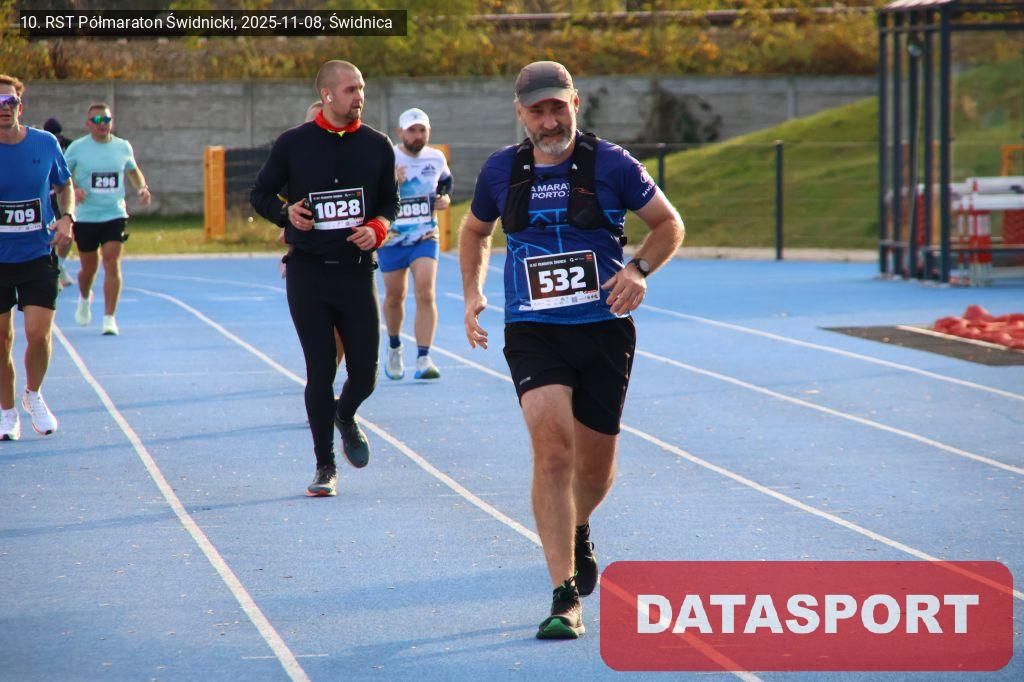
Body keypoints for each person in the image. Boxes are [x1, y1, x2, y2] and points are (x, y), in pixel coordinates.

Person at [459, 61, 684, 639]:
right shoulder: (500, 170)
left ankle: (578, 524)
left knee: (595, 469)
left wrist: (638, 269)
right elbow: (475, 231)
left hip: (603, 329)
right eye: (537, 111)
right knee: (553, 452)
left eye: (557, 107)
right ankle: (564, 595)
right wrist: (472, 293)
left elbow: (668, 225)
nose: (549, 120)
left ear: (575, 103)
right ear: (520, 113)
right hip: (533, 330)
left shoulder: (612, 164)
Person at [251, 60, 399, 497]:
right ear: (328, 95)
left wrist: (377, 228)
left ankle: (345, 414)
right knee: (319, 371)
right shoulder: (293, 143)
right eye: (351, 89)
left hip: (356, 273)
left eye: (362, 88)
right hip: (308, 274)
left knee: (365, 374)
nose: (360, 97)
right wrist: (285, 212)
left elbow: (389, 203)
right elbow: (260, 193)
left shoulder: (377, 145)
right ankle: (325, 466)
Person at [0, 74, 76, 439]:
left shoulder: (45, 143)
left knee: (38, 334)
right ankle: (7, 412)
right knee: (1, 340)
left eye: (9, 102)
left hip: (38, 253)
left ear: (20, 105)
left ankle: (33, 393)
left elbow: (64, 184)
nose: (3, 109)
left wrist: (67, 217)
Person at [64, 102, 151, 336]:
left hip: (114, 214)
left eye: (106, 120)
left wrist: (142, 188)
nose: (102, 124)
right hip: (86, 217)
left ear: (111, 122)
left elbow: (133, 171)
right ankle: (84, 298)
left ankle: (109, 318)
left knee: (112, 262)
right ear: (88, 124)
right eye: (97, 120)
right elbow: (62, 175)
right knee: (88, 269)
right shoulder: (77, 148)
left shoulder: (122, 146)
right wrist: (74, 189)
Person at [379, 107, 453, 380]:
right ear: (400, 133)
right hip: (393, 238)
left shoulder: (436, 157)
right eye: (412, 130)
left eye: (422, 130)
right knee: (395, 295)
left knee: (426, 292)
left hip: (425, 235)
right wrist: (391, 182)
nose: (417, 135)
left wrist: (444, 198)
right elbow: (372, 194)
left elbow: (445, 182)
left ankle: (424, 356)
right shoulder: (388, 157)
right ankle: (394, 346)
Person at [42, 118, 75, 289]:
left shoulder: (70, 146)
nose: (57, 140)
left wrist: (78, 188)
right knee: (48, 230)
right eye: (53, 136)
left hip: (61, 192)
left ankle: (60, 263)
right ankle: (51, 266)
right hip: (45, 196)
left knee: (67, 229)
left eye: (59, 137)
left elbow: (73, 173)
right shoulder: (41, 145)